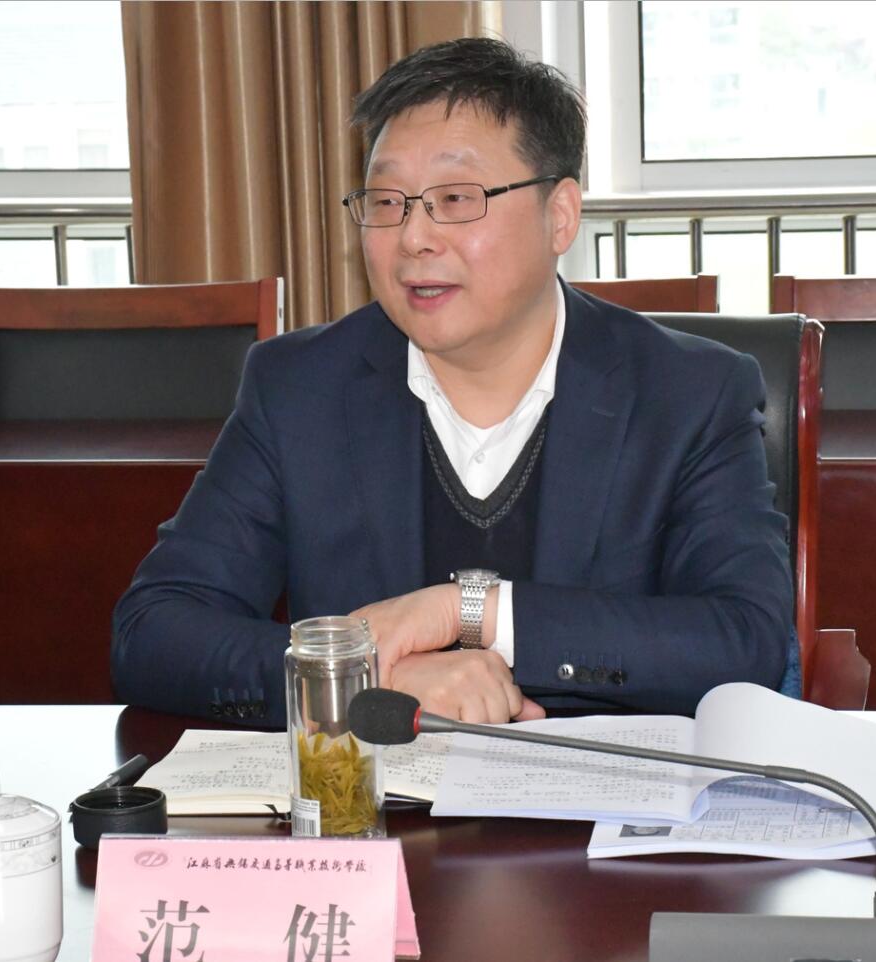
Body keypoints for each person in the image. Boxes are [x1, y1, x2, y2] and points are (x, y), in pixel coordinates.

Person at [112, 37, 797, 728]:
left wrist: (468, 612)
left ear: (560, 215)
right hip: (383, 790)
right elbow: (154, 632)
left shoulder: (690, 392)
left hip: (599, 790)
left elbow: (747, 643)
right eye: (388, 201)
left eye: (456, 198)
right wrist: (366, 676)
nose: (414, 237)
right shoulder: (299, 389)